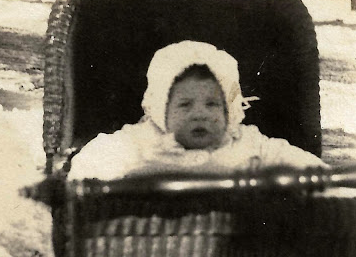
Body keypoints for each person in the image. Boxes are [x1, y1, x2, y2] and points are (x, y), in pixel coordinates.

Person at [70, 40, 327, 180]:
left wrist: (320, 181)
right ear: (161, 110)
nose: (200, 113)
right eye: (185, 105)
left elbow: (296, 161)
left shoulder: (247, 143)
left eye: (213, 104)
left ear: (229, 109)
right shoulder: (142, 140)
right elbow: (95, 159)